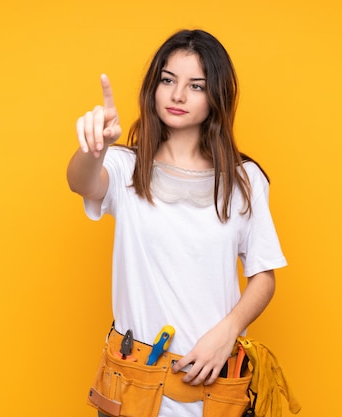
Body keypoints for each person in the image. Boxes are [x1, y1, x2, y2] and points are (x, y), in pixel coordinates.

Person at [67, 29, 287, 417]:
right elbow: (80, 181)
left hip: (214, 383)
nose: (178, 95)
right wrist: (93, 149)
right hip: (132, 385)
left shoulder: (244, 180)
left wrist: (228, 331)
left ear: (216, 96)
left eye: (196, 85)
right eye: (168, 80)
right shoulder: (125, 167)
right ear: (154, 87)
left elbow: (264, 276)